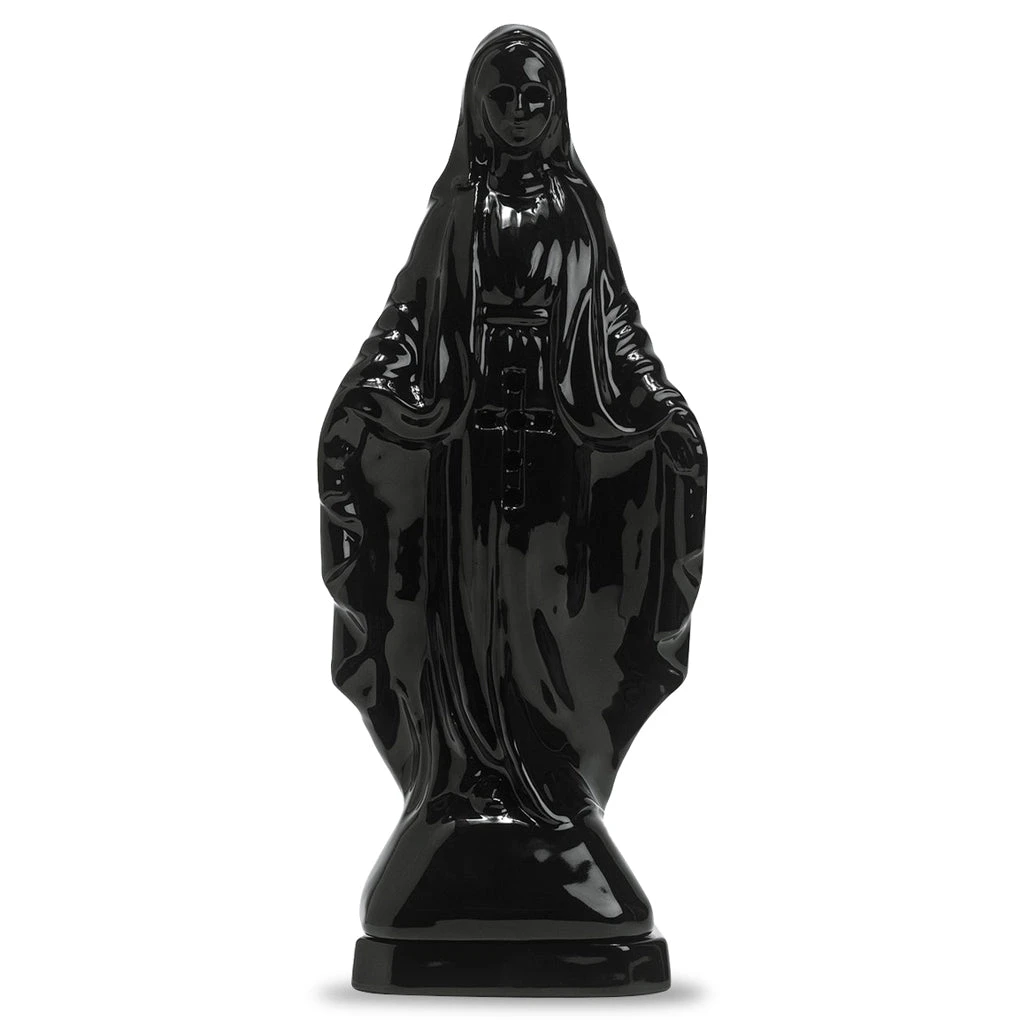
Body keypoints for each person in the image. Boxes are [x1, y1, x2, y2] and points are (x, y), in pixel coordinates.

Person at [319, 24, 707, 942]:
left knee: (545, 628)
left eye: (537, 98)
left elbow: (615, 327)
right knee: (471, 624)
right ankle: (461, 787)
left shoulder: (577, 213)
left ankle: (553, 796)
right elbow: (407, 324)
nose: (522, 112)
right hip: (466, 465)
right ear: (477, 107)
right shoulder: (456, 214)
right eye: (506, 97)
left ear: (557, 107)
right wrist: (368, 394)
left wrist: (659, 406)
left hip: (555, 468)